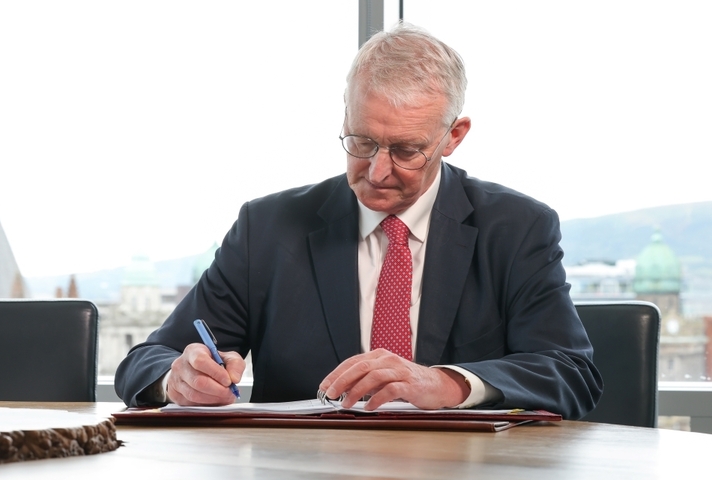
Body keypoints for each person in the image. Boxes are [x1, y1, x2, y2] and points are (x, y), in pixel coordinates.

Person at [115, 23, 602, 419]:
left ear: (453, 136)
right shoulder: (267, 227)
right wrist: (176, 377)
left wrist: (447, 382)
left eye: (407, 150)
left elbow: (569, 372)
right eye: (362, 141)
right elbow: (144, 362)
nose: (377, 171)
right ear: (345, 116)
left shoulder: (517, 228)